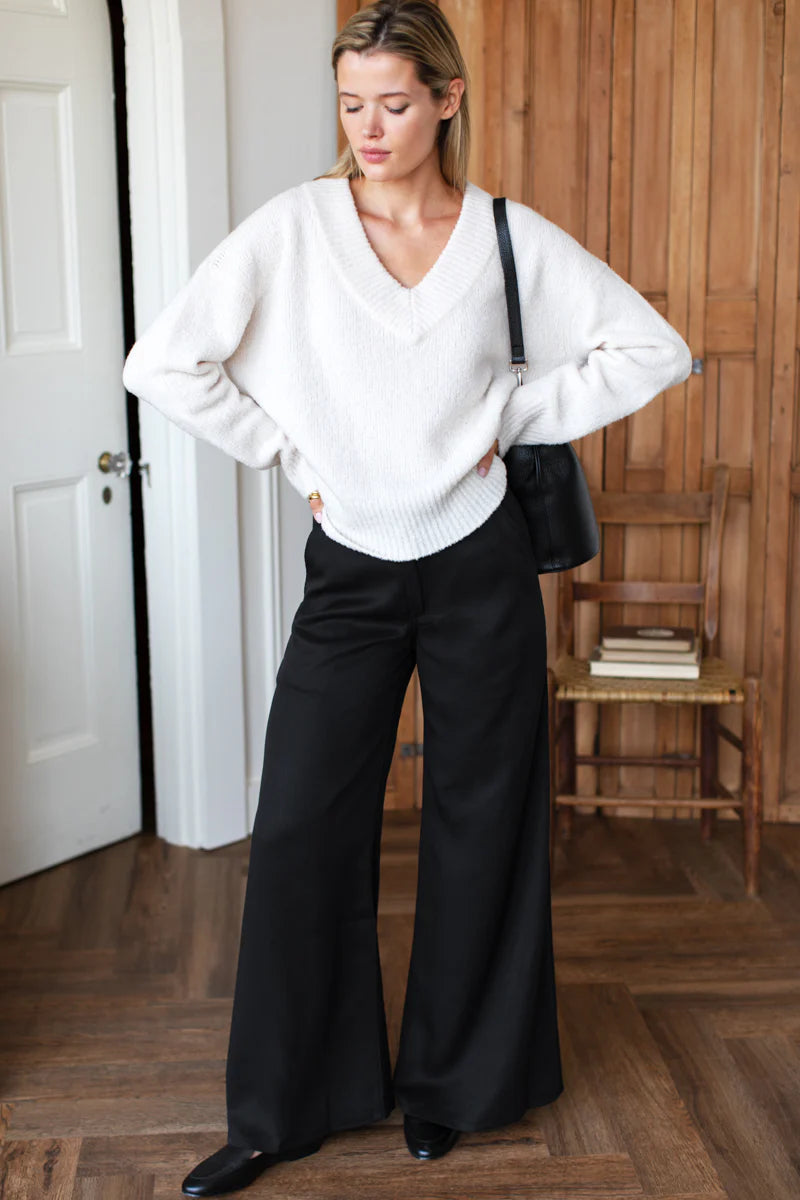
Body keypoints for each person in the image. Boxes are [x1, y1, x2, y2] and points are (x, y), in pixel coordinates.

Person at [121, 2, 693, 1194]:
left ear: (446, 97)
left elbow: (650, 347)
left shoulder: (504, 237)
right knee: (297, 829)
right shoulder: (291, 230)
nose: (367, 129)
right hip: (352, 570)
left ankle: (452, 1089)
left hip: (481, 564)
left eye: (391, 102)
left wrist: (507, 418)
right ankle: (283, 1108)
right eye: (348, 104)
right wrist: (294, 457)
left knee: (482, 826)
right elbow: (162, 361)